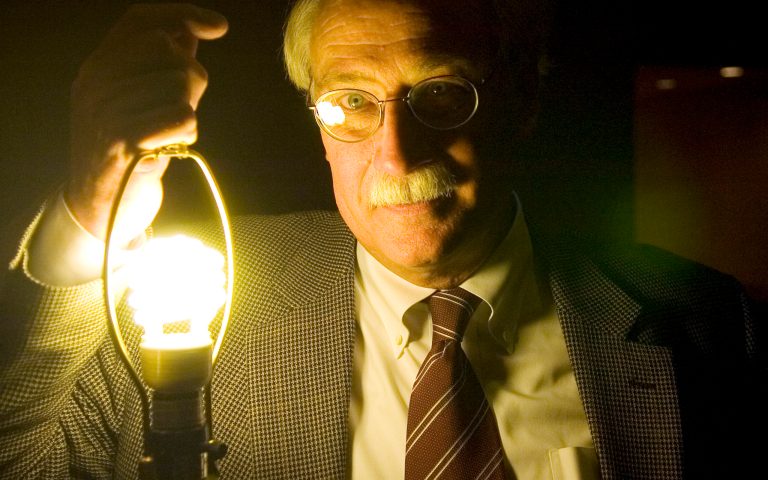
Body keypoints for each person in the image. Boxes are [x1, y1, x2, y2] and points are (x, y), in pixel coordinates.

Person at [0, 1, 764, 478]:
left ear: (521, 100)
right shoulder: (183, 312)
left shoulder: (709, 323)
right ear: (314, 120)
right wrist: (92, 207)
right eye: (351, 103)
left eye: (439, 94)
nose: (397, 153)